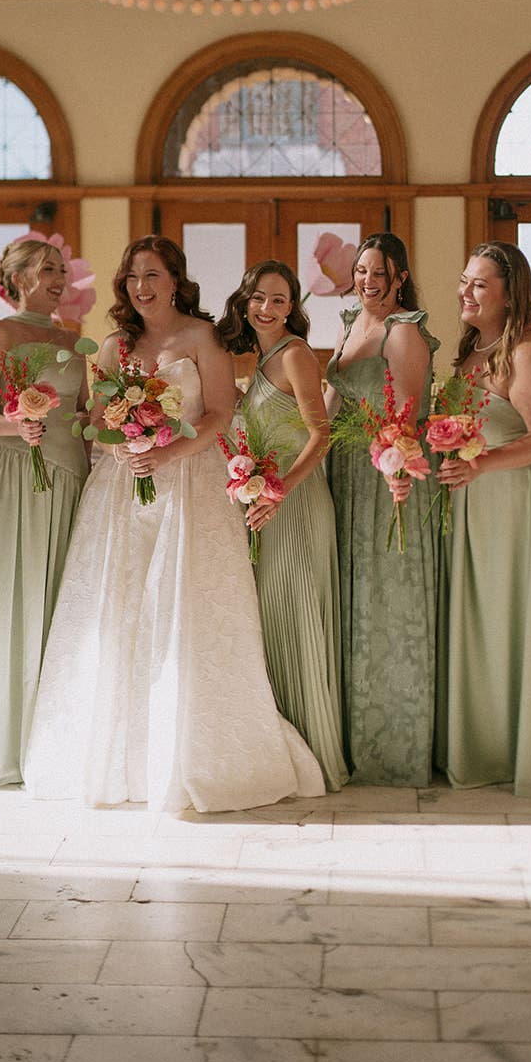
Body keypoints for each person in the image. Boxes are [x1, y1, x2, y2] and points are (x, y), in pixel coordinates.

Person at [22, 235, 324, 812]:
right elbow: (99, 419)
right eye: (133, 277)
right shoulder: (112, 345)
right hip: (122, 495)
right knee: (122, 609)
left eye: (153, 275)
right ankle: (117, 757)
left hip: (190, 484)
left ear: (175, 279)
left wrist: (165, 454)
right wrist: (123, 448)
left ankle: (193, 753)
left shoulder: (201, 336)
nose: (142, 287)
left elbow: (218, 413)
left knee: (186, 609)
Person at [434, 242, 531, 795]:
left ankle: (521, 748)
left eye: (479, 284)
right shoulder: (474, 352)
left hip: (516, 504)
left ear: (509, 293)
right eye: (464, 281)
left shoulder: (528, 350)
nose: (464, 292)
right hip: (474, 505)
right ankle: (480, 742)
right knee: (480, 623)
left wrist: (482, 463)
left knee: (511, 619)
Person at [217, 261, 349, 791]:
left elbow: (322, 434)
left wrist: (278, 491)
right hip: (268, 506)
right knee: (274, 624)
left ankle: (315, 756)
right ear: (244, 302)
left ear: (292, 306)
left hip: (295, 504)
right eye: (257, 297)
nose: (266, 308)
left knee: (295, 620)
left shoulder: (295, 353)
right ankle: (284, 749)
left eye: (278, 299)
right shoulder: (260, 355)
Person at [0, 237, 89, 789]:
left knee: (63, 600)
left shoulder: (72, 340)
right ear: (16, 278)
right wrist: (14, 424)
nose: (59, 278)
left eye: (62, 270)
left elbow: (83, 417)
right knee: (18, 599)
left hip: (69, 476)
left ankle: (62, 739)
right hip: (16, 476)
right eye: (47, 270)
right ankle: (11, 742)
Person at [324, 232, 440, 785]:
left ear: (399, 279)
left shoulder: (404, 331)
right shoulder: (353, 323)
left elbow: (407, 421)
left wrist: (393, 469)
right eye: (362, 271)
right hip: (342, 471)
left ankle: (392, 745)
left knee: (383, 599)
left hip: (384, 475)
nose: (368, 281)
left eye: (379, 273)